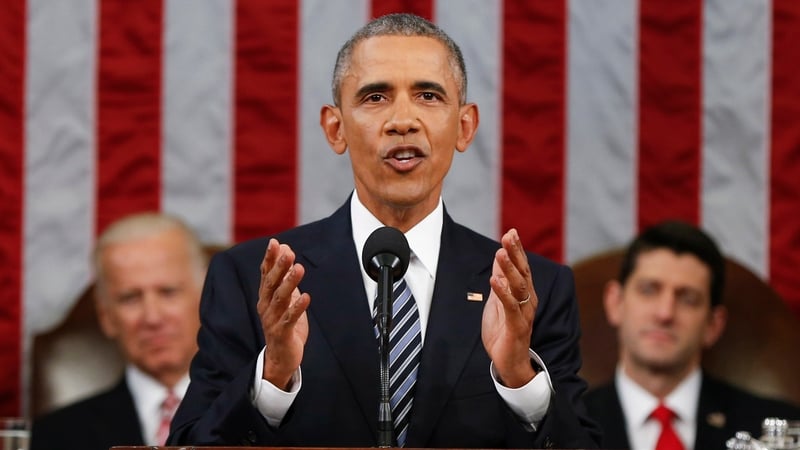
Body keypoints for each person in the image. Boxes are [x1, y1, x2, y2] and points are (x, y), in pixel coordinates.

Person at [169, 13, 600, 448]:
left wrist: (519, 379)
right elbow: (191, 442)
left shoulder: (532, 289)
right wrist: (273, 375)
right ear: (335, 128)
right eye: (376, 97)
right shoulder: (251, 279)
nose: (402, 121)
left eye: (428, 95)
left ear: (465, 126)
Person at [583, 220, 800, 450]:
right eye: (649, 290)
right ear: (615, 302)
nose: (665, 313)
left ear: (713, 325)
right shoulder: (559, 430)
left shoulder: (777, 432)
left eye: (688, 299)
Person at [31, 212, 208, 450]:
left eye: (168, 292)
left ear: (206, 300)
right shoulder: (51, 437)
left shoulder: (259, 417)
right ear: (106, 316)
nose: (152, 318)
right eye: (130, 298)